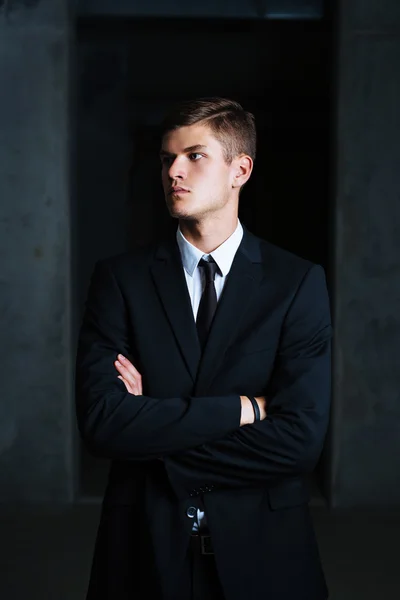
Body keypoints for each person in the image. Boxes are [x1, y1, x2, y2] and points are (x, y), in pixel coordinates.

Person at [75, 97, 331, 600]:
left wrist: (152, 423)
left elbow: (300, 439)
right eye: (167, 158)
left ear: (241, 169)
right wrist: (244, 409)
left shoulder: (296, 283)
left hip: (265, 554)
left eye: (194, 156)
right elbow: (103, 424)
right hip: (142, 552)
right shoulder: (120, 280)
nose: (174, 171)